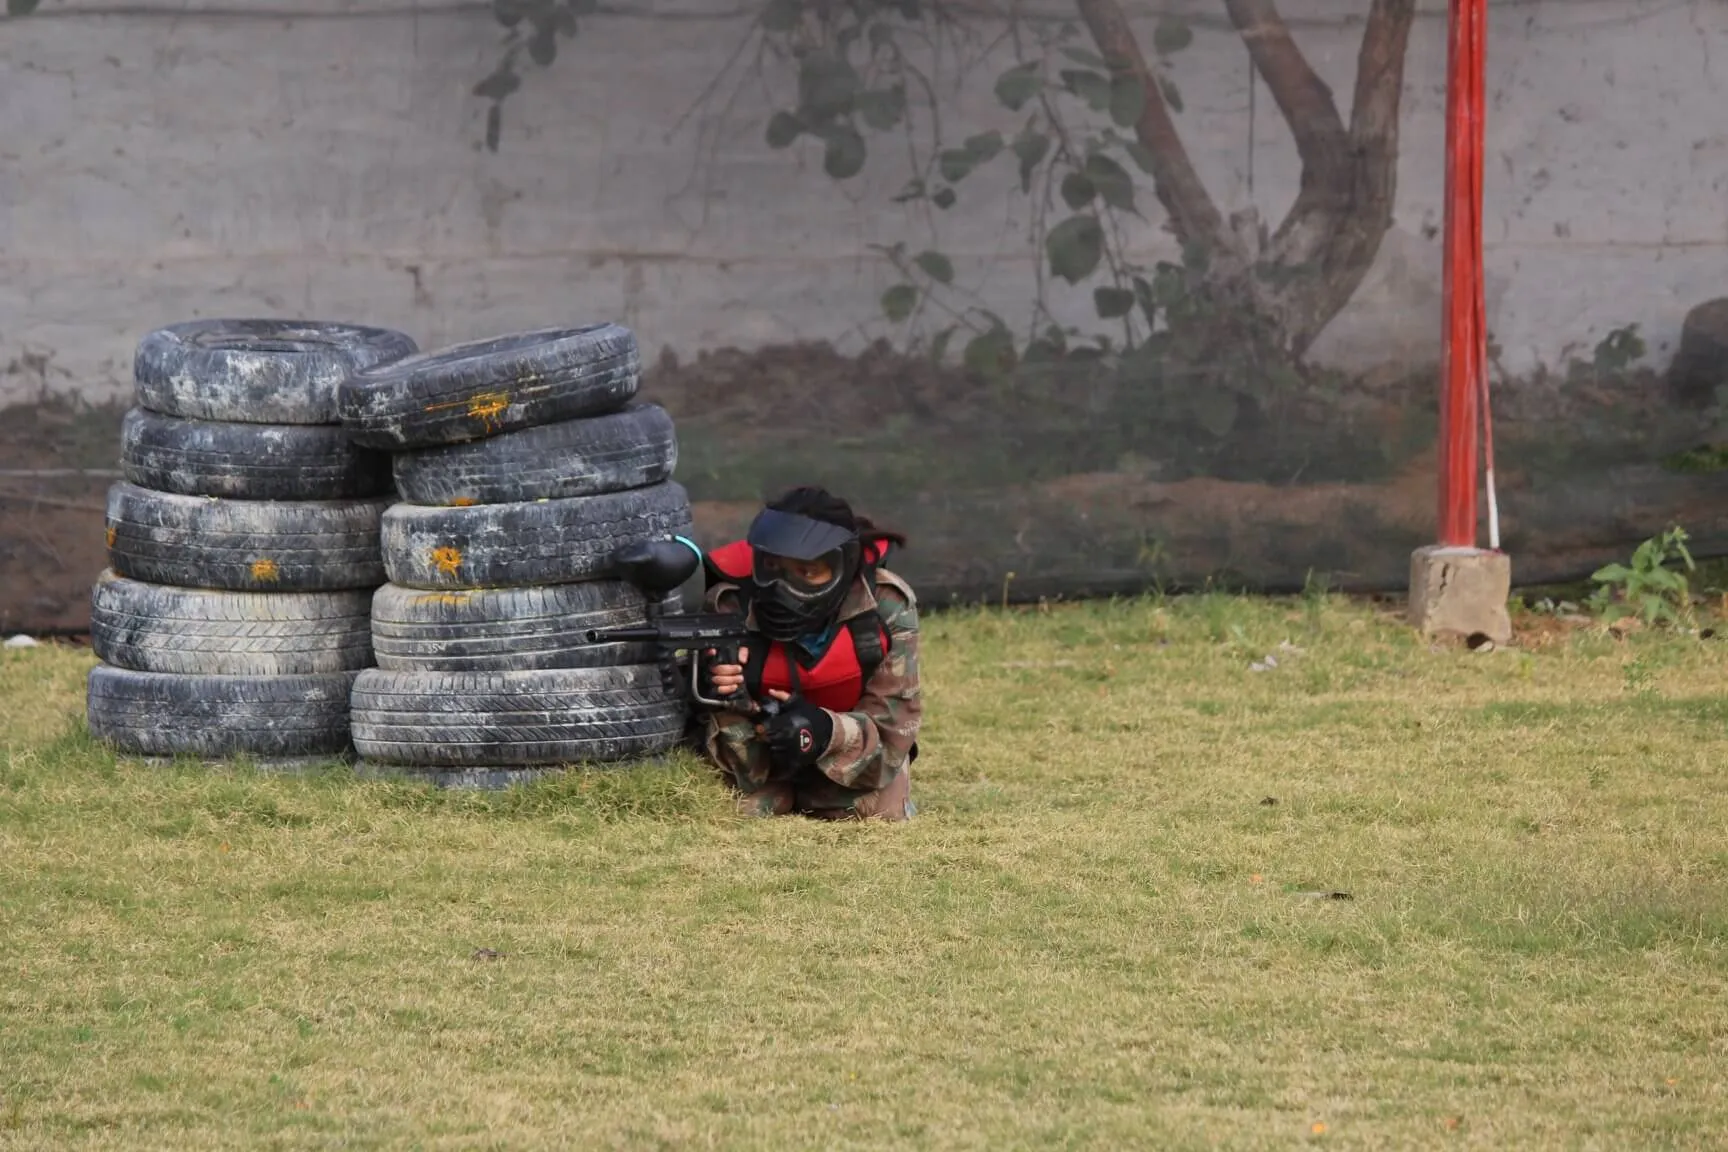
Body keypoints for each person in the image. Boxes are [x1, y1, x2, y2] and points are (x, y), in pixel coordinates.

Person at [693, 485, 922, 821]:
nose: (784, 588)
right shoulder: (730, 605)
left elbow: (894, 734)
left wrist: (822, 731)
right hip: (760, 757)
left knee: (880, 813)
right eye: (773, 568)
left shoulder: (885, 609)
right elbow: (721, 730)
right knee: (733, 810)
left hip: (849, 758)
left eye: (808, 572)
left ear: (843, 567)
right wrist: (717, 690)